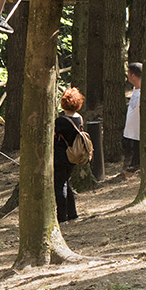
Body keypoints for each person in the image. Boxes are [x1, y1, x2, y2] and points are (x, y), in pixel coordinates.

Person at [53, 87, 85, 223]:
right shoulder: (79, 118)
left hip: (61, 156)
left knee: (59, 186)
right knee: (66, 183)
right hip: (73, 155)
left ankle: (62, 217)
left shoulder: (61, 122)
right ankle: (73, 214)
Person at [122, 62, 142, 175]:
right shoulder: (135, 89)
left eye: (128, 73)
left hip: (137, 135)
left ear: (133, 75)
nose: (127, 75)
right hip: (129, 134)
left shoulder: (144, 92)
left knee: (133, 166)